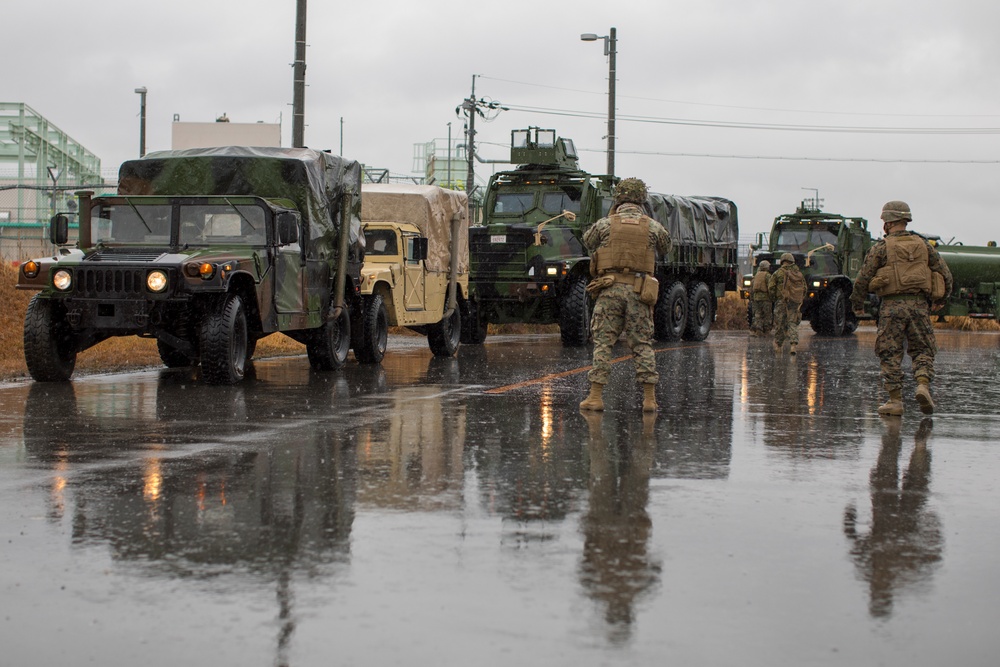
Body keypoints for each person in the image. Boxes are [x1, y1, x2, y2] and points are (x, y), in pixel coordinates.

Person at [850, 201, 952, 416]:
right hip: (919, 306)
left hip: (892, 307)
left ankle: (895, 401)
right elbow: (945, 274)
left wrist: (857, 305)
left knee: (890, 351)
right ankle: (923, 384)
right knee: (923, 349)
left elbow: (862, 279)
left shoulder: (881, 248)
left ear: (888, 222)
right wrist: (943, 299)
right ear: (905, 220)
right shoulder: (924, 245)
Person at [579, 178, 672, 412]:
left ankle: (596, 397)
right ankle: (649, 400)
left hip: (610, 289)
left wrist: (611, 217)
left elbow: (588, 241)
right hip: (639, 290)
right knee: (642, 343)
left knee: (603, 342)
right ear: (642, 200)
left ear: (618, 198)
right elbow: (666, 247)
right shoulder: (652, 226)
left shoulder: (606, 223)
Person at [768, 252, 805, 355]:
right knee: (792, 323)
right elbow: (804, 288)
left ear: (782, 261)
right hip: (794, 302)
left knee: (780, 323)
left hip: (781, 301)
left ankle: (779, 346)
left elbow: (771, 288)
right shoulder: (798, 273)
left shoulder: (778, 273)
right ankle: (793, 345)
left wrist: (774, 298)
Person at [749, 260, 774, 336]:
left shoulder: (756, 275)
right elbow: (771, 287)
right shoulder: (768, 275)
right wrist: (773, 297)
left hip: (756, 298)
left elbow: (752, 288)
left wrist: (752, 298)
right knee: (767, 315)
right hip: (765, 298)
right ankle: (766, 331)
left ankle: (758, 330)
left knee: (757, 315)